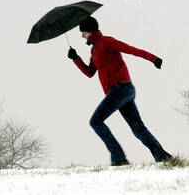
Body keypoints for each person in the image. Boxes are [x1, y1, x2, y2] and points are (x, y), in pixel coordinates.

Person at [68, 16, 172, 165]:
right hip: (121, 92)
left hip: (121, 89)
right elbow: (90, 72)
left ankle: (118, 158)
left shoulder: (106, 42)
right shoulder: (94, 50)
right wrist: (76, 58)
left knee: (95, 121)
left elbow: (130, 49)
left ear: (89, 31)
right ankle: (162, 157)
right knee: (138, 129)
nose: (81, 35)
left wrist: (153, 58)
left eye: (83, 32)